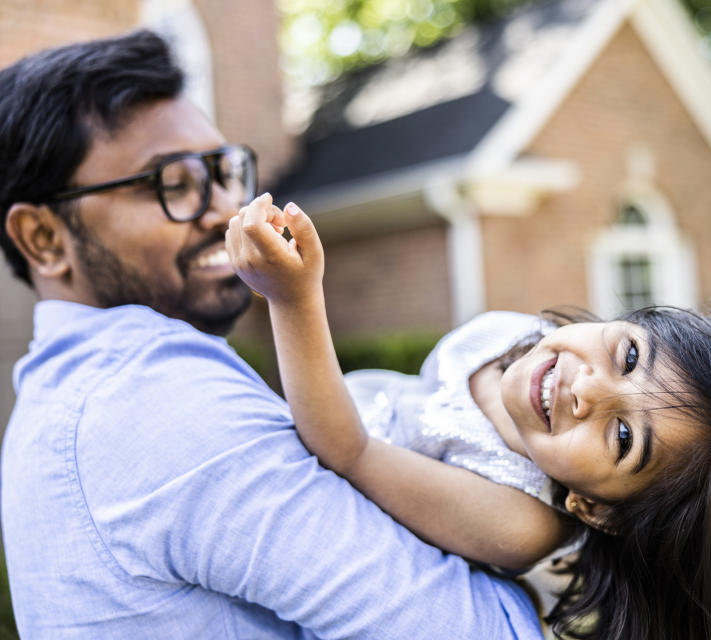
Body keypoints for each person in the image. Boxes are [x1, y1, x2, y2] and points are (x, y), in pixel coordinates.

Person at [0, 31, 545, 639]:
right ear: (44, 239)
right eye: (172, 184)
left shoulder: (58, 403)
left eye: (224, 171)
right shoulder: (155, 397)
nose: (227, 211)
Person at [226, 195, 711, 640]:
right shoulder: (526, 336)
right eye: (628, 355)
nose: (587, 388)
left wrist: (293, 299)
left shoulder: (518, 522)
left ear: (599, 511)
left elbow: (350, 452)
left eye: (622, 437)